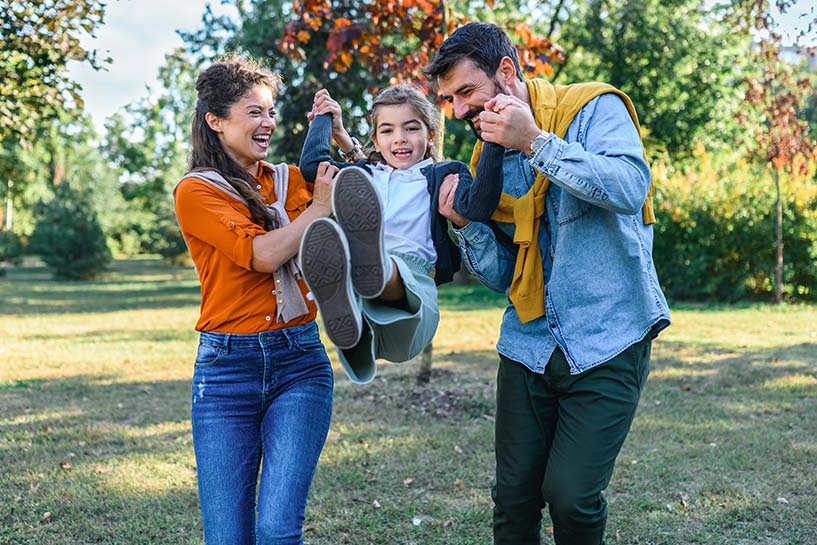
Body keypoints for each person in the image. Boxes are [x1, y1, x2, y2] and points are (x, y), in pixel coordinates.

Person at [425, 22, 672, 545]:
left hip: (608, 338)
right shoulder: (485, 159)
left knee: (572, 497)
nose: (458, 111)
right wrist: (467, 226)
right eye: (448, 99)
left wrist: (535, 142)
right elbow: (501, 277)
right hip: (528, 345)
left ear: (507, 72)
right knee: (513, 500)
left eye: (466, 92)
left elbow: (629, 187)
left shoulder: (591, 110)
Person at [173, 53, 339, 545]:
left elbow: (362, 189)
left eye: (271, 111)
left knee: (277, 530)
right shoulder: (197, 191)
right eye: (254, 112)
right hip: (227, 373)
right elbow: (261, 254)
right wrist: (318, 211)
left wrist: (337, 134)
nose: (268, 123)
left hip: (300, 362)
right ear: (216, 120)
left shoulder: (289, 180)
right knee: (227, 537)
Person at [296, 84, 505, 384]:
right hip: (364, 303)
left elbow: (480, 205)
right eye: (387, 131)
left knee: (392, 276)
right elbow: (311, 168)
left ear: (430, 135)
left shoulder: (443, 174)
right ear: (375, 141)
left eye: (411, 128)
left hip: (414, 287)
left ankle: (374, 265)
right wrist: (323, 119)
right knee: (359, 327)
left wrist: (492, 139)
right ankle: (351, 315)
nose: (400, 139)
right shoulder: (363, 176)